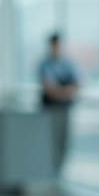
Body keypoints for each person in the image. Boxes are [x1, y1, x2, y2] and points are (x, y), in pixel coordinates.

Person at [40, 32, 80, 175]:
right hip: (50, 110)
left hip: (65, 109)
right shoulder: (45, 64)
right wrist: (65, 92)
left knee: (64, 141)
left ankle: (59, 172)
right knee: (50, 141)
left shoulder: (68, 64)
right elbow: (49, 89)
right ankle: (50, 172)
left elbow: (78, 85)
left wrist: (59, 92)